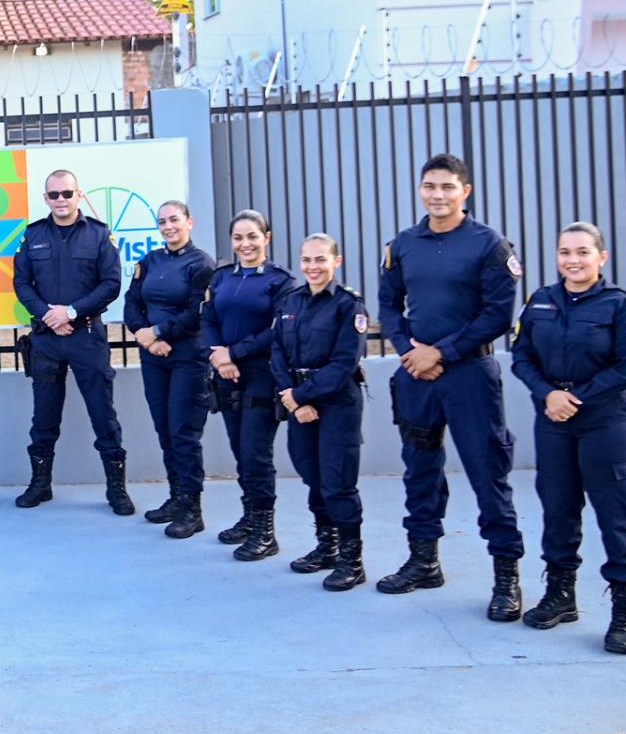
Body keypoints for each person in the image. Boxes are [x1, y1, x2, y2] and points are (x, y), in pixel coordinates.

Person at [377, 152, 527, 620]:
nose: (437, 195)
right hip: (417, 376)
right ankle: (424, 562)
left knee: (488, 472)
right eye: (429, 187)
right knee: (419, 470)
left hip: (468, 377)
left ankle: (507, 580)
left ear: (465, 191)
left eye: (446, 187)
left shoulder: (489, 245)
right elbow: (387, 306)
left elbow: (497, 317)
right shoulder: (403, 244)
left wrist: (439, 353)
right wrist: (409, 351)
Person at [510, 221, 626, 654]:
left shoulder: (620, 305)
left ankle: (625, 612)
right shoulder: (540, 302)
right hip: (553, 419)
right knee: (558, 507)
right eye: (565, 251)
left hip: (606, 422)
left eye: (583, 252)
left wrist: (574, 398)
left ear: (601, 257)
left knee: (616, 514)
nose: (573, 259)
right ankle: (560, 596)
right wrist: (549, 394)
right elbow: (521, 356)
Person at [11, 169, 132, 516]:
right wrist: (50, 316)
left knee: (103, 415)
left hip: (87, 337)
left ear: (79, 195)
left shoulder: (97, 235)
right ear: (45, 198)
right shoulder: (33, 235)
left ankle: (116, 489)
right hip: (47, 340)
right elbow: (22, 283)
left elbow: (111, 284)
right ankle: (40, 484)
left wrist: (72, 313)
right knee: (44, 418)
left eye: (67, 193)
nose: (60, 200)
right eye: (54, 195)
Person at [272, 235, 370, 591]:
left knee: (337, 480)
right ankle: (326, 547)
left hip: (336, 402)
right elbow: (278, 352)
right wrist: (294, 398)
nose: (313, 266)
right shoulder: (291, 301)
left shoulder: (349, 305)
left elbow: (345, 362)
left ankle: (351, 560)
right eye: (306, 260)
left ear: (336, 261)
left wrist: (300, 396)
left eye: (320, 260)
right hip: (300, 401)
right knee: (310, 472)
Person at [199, 209, 296, 559]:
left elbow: (278, 331)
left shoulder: (281, 282)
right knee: (241, 452)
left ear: (266, 238)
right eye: (238, 237)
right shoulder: (221, 278)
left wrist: (233, 353)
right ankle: (250, 518)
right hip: (226, 376)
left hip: (260, 376)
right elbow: (207, 318)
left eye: (253, 236)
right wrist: (218, 356)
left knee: (256, 454)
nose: (245, 244)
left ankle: (266, 533)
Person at [124, 200, 216, 537]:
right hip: (154, 359)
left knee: (184, 433)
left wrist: (160, 333)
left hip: (187, 359)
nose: (168, 227)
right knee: (164, 430)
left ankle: (193, 509)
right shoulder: (150, 261)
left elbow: (197, 313)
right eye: (162, 221)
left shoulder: (201, 264)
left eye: (174, 220)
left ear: (189, 222)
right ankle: (176, 499)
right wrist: (145, 337)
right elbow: (131, 302)